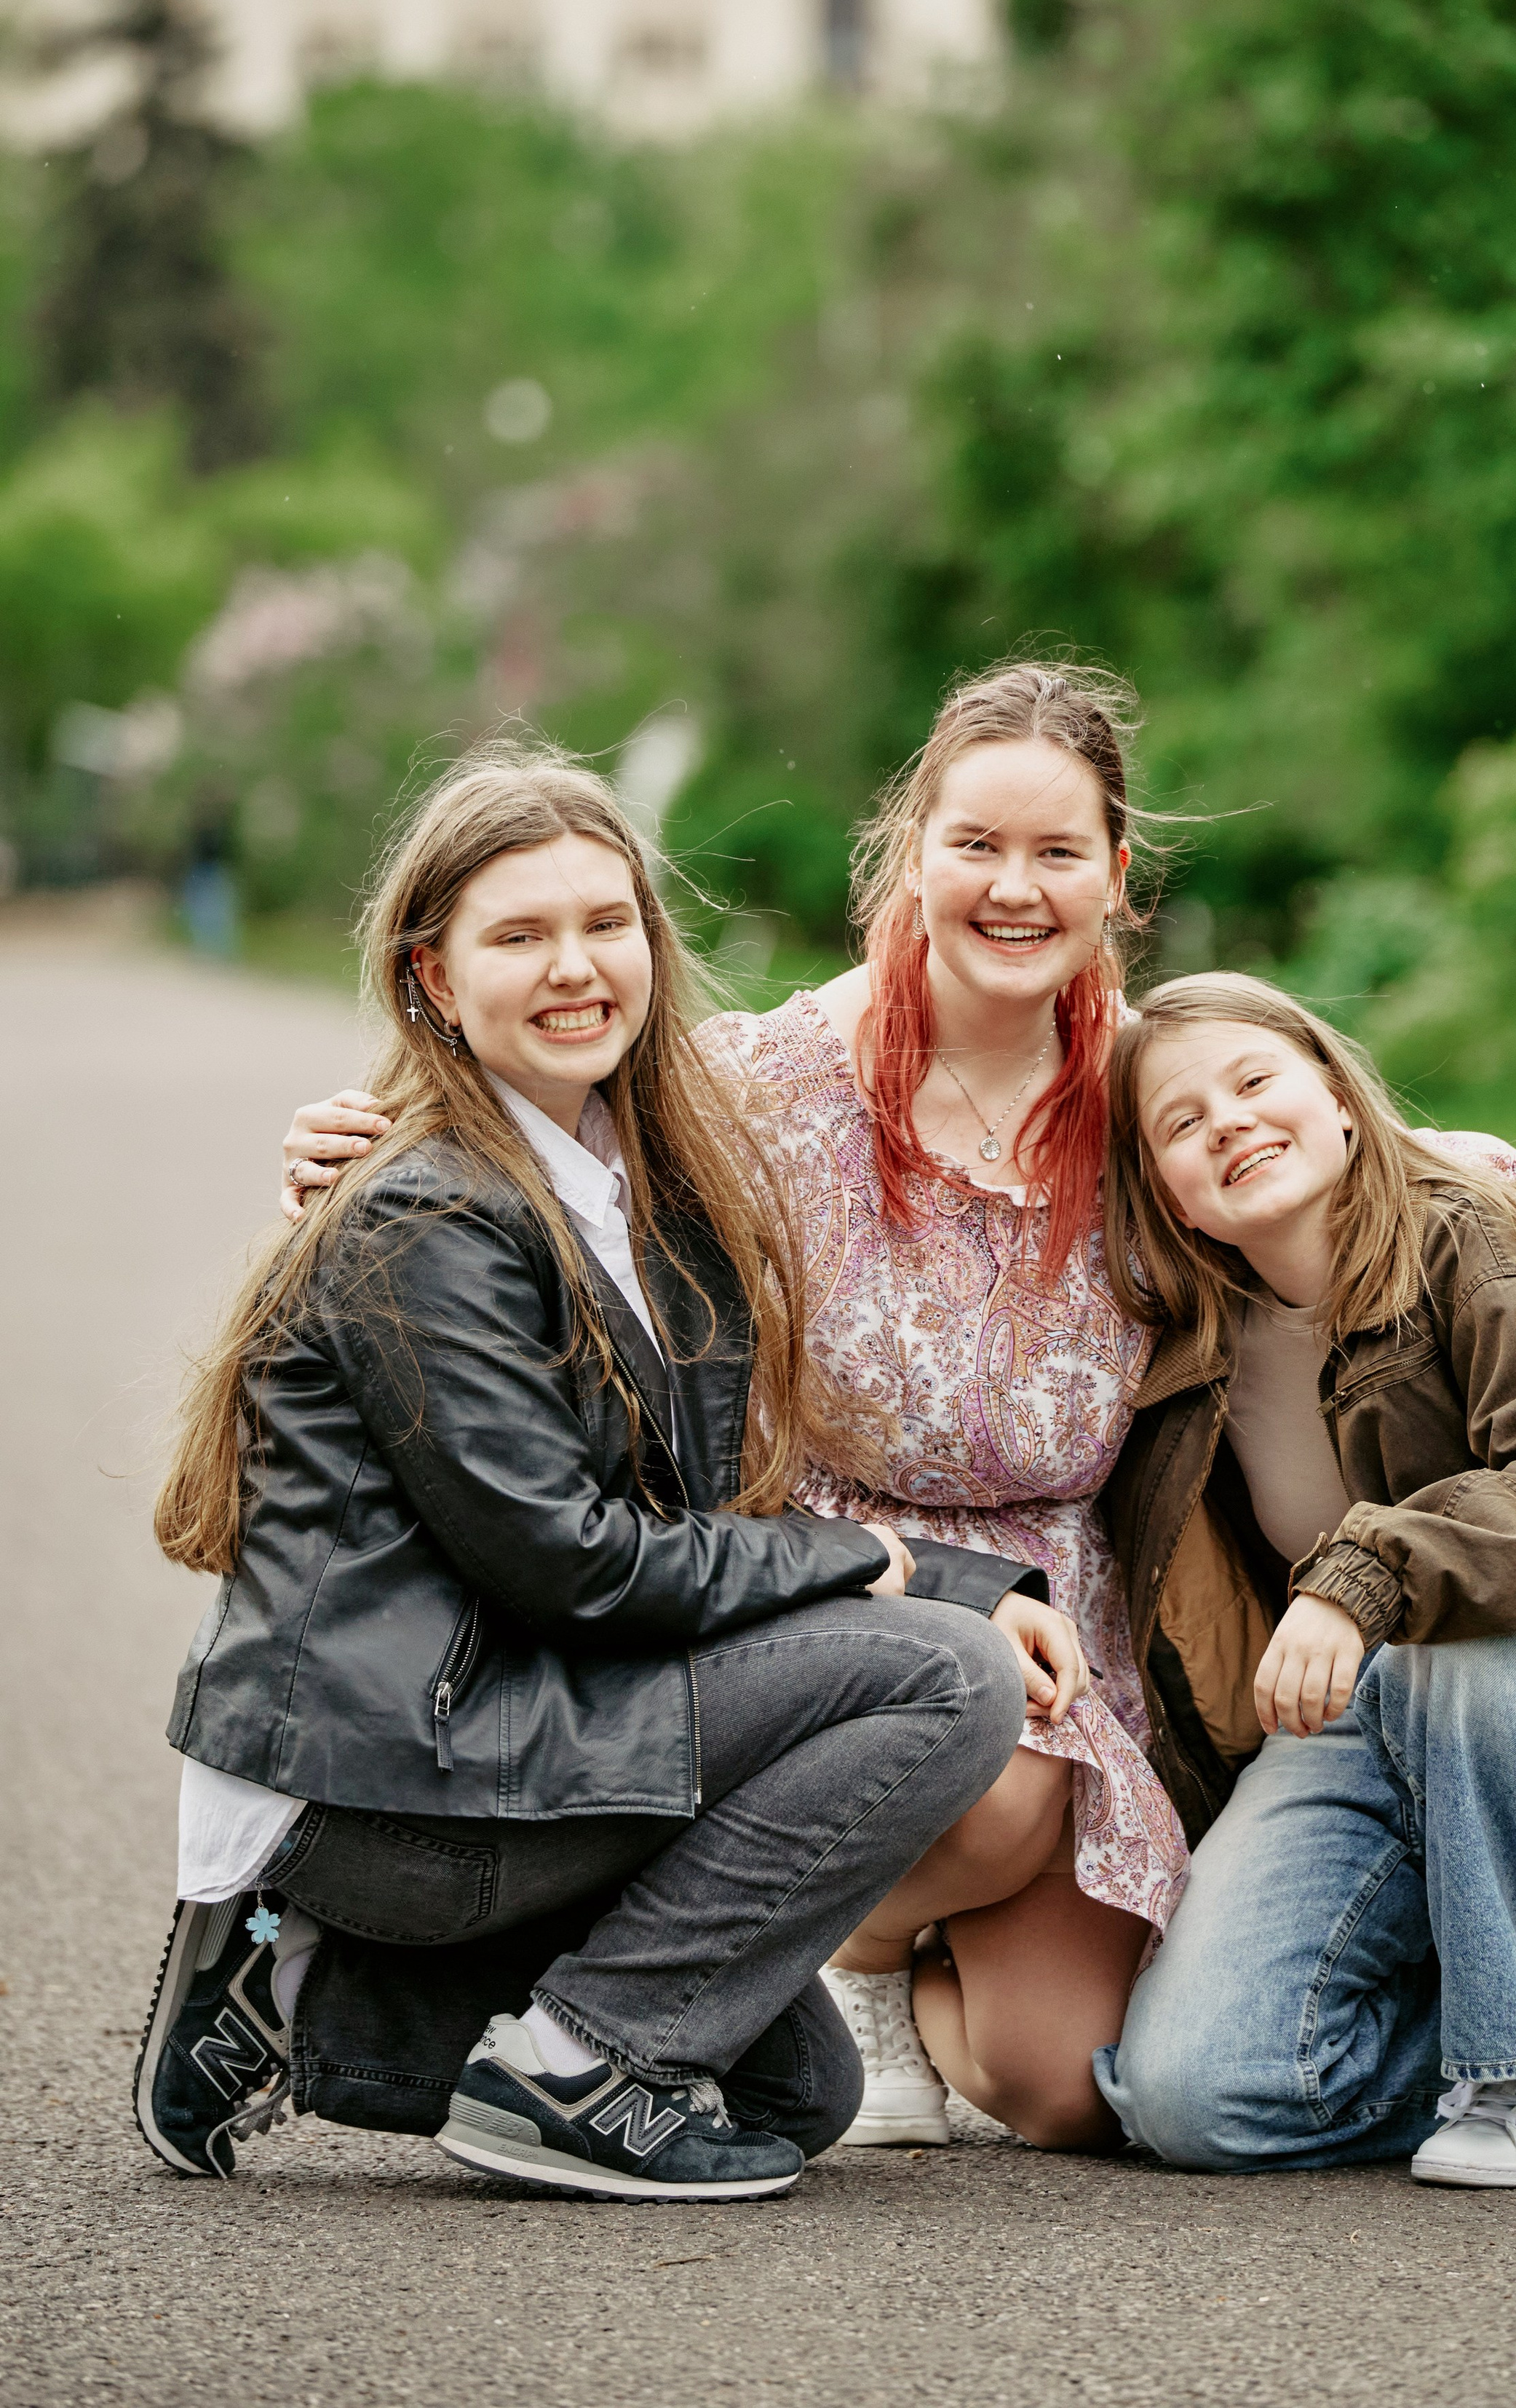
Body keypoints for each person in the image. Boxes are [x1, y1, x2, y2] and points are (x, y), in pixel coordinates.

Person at [277, 666, 1516, 2152]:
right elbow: (540, 1124)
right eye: (975, 844)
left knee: (1069, 2086)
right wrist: (365, 1136)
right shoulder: (755, 1086)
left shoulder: (1140, 1100)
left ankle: (886, 1976)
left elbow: (1333, 1138)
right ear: (907, 848)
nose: (1012, 887)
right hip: (830, 1590)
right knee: (987, 1788)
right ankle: (819, 1962)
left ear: (1115, 879)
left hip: (1079, 1610)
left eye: (1057, 854)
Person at [136, 745, 1040, 2202]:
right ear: (429, 977)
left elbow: (666, 1537)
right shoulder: (429, 1210)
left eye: (603, 924)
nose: (574, 967)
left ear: (649, 945)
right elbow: (572, 1562)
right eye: (518, 935)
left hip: (507, 1718)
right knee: (946, 1677)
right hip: (401, 1775)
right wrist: (898, 1569)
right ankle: (567, 2065)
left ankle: (294, 1996)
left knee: (795, 2092)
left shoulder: (634, 1183)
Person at [1093, 973, 1516, 2185]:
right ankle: (1494, 2019)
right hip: (1359, 1733)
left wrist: (1368, 1570)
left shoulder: (1474, 1239)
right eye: (1180, 1121)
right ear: (1159, 1185)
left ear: (1335, 1093)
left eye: (1255, 1080)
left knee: (1459, 1654)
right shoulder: (1193, 1331)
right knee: (1195, 2096)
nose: (1224, 1119)